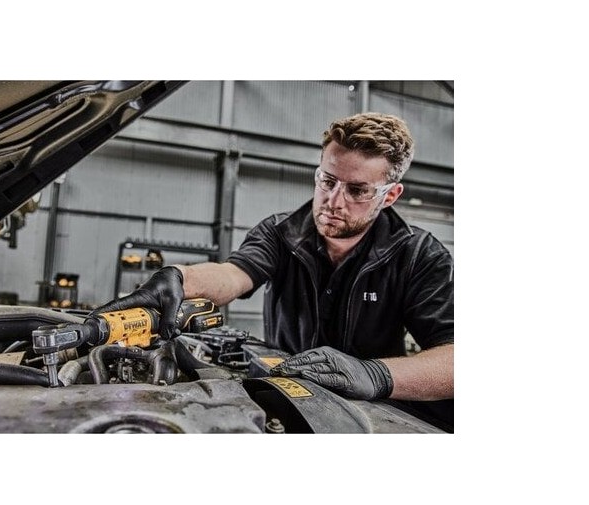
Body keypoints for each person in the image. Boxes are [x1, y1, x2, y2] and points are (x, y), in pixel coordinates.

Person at [93, 113, 454, 430]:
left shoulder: (419, 255)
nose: (333, 201)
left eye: (357, 190)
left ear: (390, 195)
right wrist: (180, 278)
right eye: (327, 181)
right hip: (283, 397)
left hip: (367, 416)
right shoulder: (281, 233)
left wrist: (373, 374)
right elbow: (233, 274)